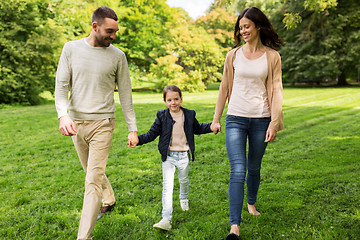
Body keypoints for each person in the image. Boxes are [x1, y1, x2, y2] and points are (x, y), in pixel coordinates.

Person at [55, 6, 138, 240]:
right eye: (109, 31)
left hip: (103, 123)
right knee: (92, 170)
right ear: (95, 26)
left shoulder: (118, 56)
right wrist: (63, 114)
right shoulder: (70, 49)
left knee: (92, 180)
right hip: (76, 124)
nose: (113, 36)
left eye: (115, 32)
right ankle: (109, 198)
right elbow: (61, 87)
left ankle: (84, 237)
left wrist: (132, 128)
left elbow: (126, 95)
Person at [210, 7, 284, 240]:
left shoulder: (272, 56)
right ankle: (235, 227)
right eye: (240, 27)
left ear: (258, 26)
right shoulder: (233, 55)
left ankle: (251, 202)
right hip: (236, 118)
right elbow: (224, 88)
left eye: (246, 26)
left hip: (261, 118)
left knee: (254, 167)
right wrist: (216, 118)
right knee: (238, 170)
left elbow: (276, 89)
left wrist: (274, 122)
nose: (242, 31)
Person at [134, 85, 212, 231]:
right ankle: (166, 218)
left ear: (181, 99)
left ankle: (184, 198)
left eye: (176, 99)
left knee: (184, 180)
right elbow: (151, 134)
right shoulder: (162, 116)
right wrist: (138, 140)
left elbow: (198, 128)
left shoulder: (188, 114)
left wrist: (211, 127)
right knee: (167, 187)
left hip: (183, 156)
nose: (173, 103)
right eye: (169, 100)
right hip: (168, 157)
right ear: (165, 101)